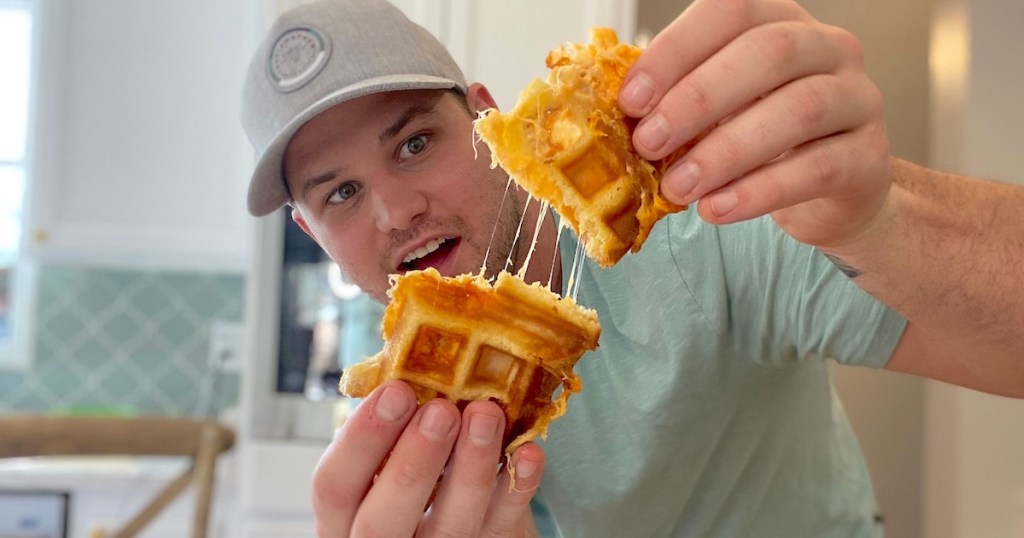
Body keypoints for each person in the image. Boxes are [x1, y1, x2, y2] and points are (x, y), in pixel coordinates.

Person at [240, 0, 1024, 535]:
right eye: (340, 193)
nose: (394, 211)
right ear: (310, 230)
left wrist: (881, 215)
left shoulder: (701, 224)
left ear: (489, 121)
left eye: (413, 143)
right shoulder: (390, 414)